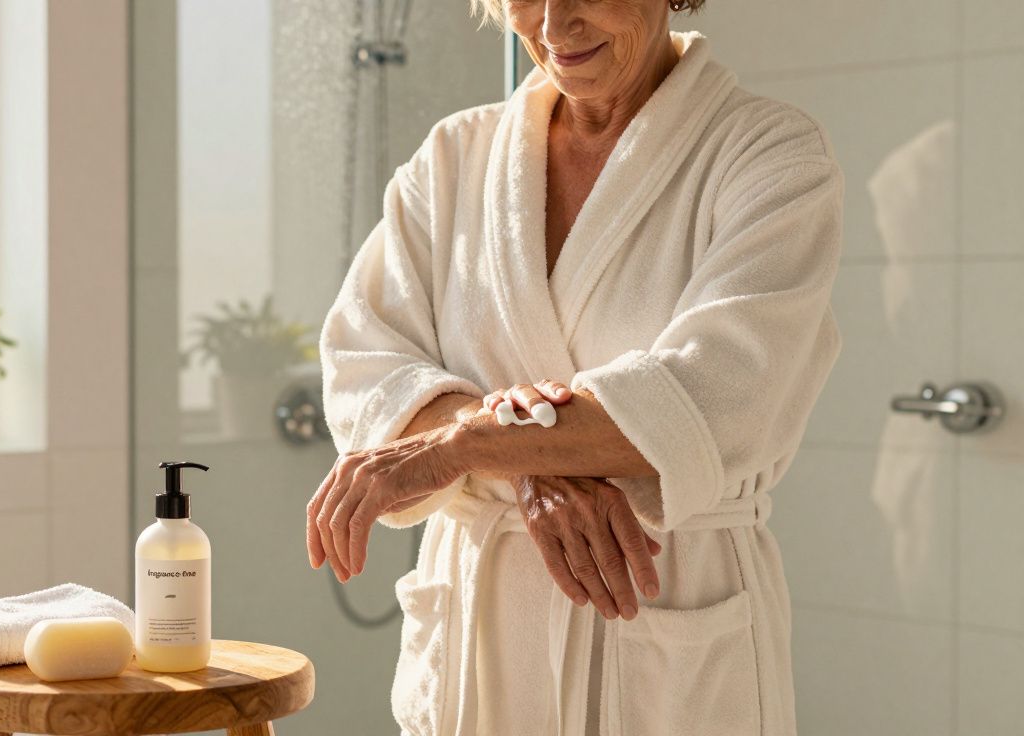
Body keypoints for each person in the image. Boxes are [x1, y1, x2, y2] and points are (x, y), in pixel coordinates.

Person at [307, 0, 843, 733]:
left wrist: (461, 446)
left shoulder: (767, 154)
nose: (556, 27)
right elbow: (367, 364)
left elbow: (720, 394)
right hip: (482, 622)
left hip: (663, 610)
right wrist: (532, 467)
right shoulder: (453, 160)